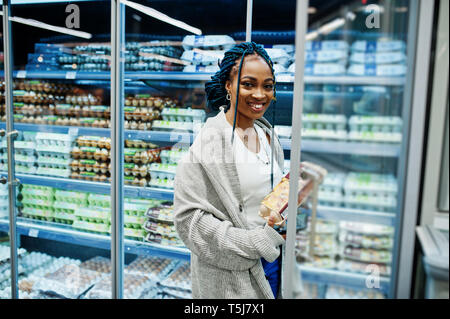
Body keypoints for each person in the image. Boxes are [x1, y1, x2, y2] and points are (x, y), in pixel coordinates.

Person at [174, 42, 292, 299]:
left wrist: (290, 198)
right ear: (228, 85)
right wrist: (252, 243)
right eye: (248, 84)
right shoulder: (208, 145)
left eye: (267, 86)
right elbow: (188, 221)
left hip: (271, 261)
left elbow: (264, 199)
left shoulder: (267, 134)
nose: (260, 95)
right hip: (230, 277)